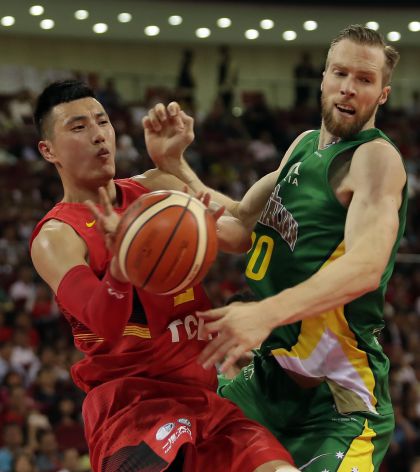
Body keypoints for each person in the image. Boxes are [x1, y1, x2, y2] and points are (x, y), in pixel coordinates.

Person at [145, 25, 407, 471]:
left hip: (336, 400)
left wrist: (264, 313)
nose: (348, 87)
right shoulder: (303, 146)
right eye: (340, 73)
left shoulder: (374, 159)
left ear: (382, 94)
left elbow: (366, 265)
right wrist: (175, 166)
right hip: (268, 381)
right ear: (323, 78)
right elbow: (240, 225)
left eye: (364, 79)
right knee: (175, 452)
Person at [29, 80, 297, 472]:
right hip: (131, 410)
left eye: (102, 121)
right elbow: (104, 320)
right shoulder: (56, 237)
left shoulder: (157, 188)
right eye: (79, 127)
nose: (98, 135)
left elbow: (241, 232)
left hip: (205, 400)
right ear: (48, 150)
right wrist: (121, 267)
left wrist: (176, 164)